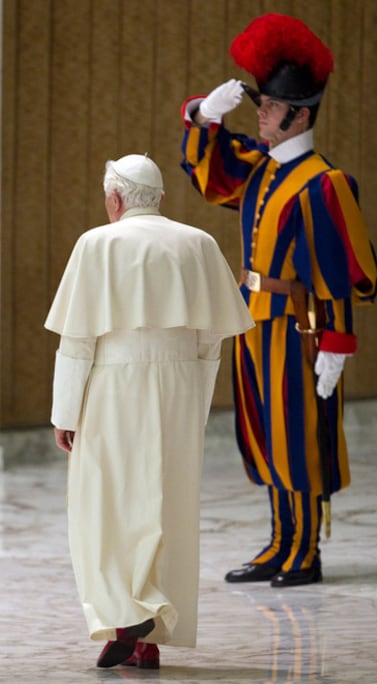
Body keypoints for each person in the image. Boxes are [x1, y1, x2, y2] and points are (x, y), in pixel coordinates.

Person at [180, 13, 377, 587]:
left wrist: (336, 345)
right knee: (264, 435)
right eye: (261, 105)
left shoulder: (323, 182)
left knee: (299, 438)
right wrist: (203, 115)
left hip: (300, 327)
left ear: (301, 114)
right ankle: (279, 541)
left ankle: (305, 551)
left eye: (269, 107)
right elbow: (210, 172)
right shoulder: (263, 170)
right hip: (253, 321)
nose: (260, 114)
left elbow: (335, 272)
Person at [44, 153, 254, 668]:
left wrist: (65, 413)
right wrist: (195, 408)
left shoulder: (96, 244)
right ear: (159, 198)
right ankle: (150, 636)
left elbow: (77, 341)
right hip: (180, 384)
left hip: (114, 385)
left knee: (106, 503)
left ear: (114, 199)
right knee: (168, 504)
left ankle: (124, 611)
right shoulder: (199, 244)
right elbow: (211, 342)